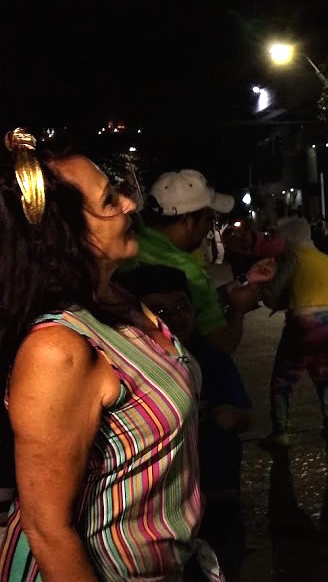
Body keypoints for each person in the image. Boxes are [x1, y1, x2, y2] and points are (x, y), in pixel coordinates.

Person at [0, 129, 220, 580]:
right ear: (67, 234)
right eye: (108, 202)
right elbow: (48, 530)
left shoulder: (118, 302)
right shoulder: (56, 350)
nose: (130, 206)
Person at [117, 264, 252, 578]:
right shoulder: (130, 368)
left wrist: (232, 417)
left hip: (219, 498)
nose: (175, 317)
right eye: (159, 310)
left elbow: (246, 416)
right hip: (158, 511)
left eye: (181, 306)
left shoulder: (213, 359)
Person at [129, 169, 274, 355]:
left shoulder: (133, 246)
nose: (208, 229)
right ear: (187, 220)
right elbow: (223, 343)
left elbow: (197, 302)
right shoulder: (184, 268)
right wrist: (238, 309)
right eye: (208, 220)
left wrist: (244, 280)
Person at [259, 217, 328, 446]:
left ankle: (281, 431)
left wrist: (265, 292)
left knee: (283, 379)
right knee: (324, 374)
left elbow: (275, 290)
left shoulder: (290, 257)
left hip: (302, 321)